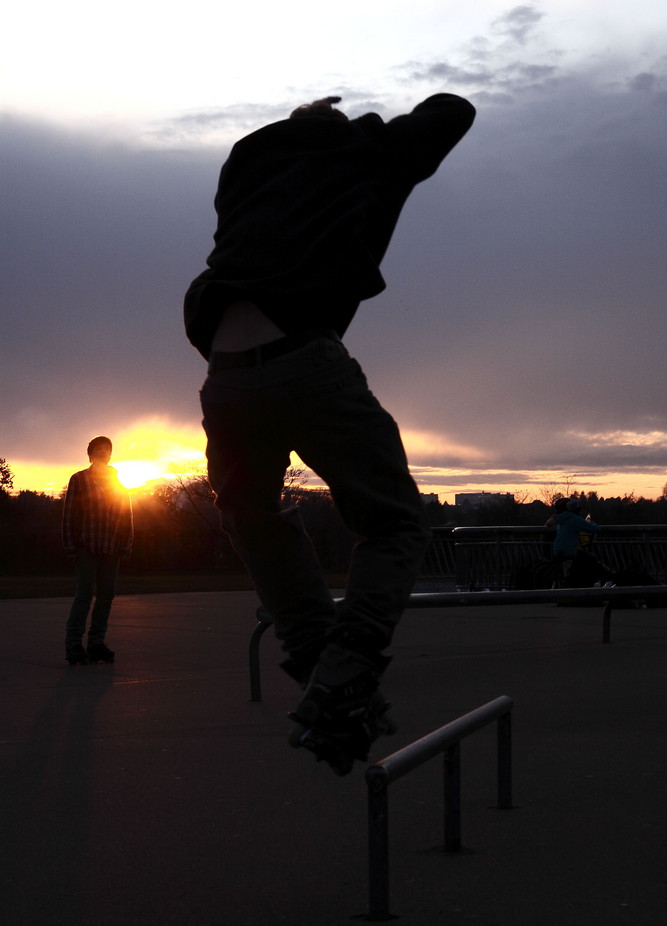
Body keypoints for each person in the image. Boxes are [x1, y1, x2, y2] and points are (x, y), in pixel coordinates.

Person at [184, 92, 476, 773]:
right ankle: (348, 665)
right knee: (396, 523)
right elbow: (452, 109)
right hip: (305, 362)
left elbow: (279, 173)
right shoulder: (366, 160)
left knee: (252, 518)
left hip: (224, 374)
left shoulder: (244, 167)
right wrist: (370, 138)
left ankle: (327, 683)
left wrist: (316, 127)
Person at [62, 436, 133, 665]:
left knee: (106, 596)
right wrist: (71, 545)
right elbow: (69, 515)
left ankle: (96, 644)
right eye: (99, 449)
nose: (104, 452)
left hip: (111, 548)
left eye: (107, 449)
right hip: (87, 547)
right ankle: (74, 645)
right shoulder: (79, 480)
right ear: (90, 454)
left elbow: (126, 515)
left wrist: (126, 543)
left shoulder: (118, 482)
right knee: (84, 595)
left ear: (110, 454)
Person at [548, 497, 612, 587]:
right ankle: (595, 582)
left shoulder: (562, 519)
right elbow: (595, 529)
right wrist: (592, 523)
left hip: (557, 550)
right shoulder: (574, 519)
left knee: (580, 562)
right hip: (569, 550)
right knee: (591, 559)